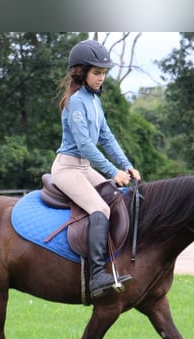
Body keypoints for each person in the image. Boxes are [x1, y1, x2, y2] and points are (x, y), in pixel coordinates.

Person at [52, 39, 141, 298]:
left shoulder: (94, 101)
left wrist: (127, 165)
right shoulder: (76, 102)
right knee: (99, 207)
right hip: (68, 168)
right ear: (81, 73)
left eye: (104, 73)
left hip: (84, 167)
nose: (102, 78)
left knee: (115, 196)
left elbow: (106, 138)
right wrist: (113, 171)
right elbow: (85, 145)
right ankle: (97, 275)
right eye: (97, 73)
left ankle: (114, 260)